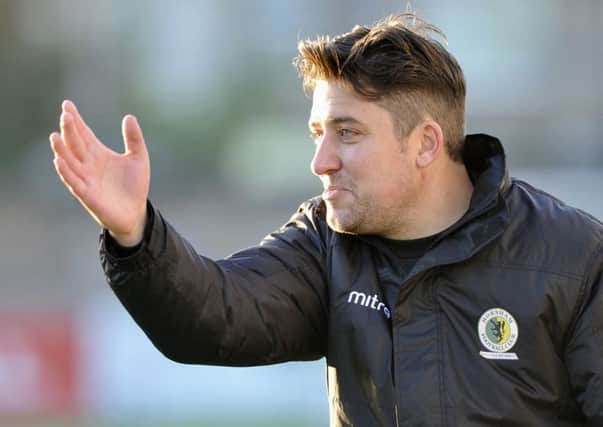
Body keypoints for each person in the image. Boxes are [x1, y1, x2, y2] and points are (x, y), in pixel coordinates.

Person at [49, 12, 603, 427]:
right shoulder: (324, 243)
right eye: (318, 133)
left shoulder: (575, 256)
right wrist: (135, 232)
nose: (321, 161)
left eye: (348, 132)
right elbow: (217, 314)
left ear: (426, 143)